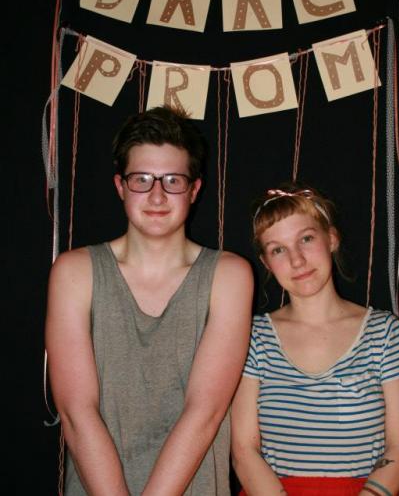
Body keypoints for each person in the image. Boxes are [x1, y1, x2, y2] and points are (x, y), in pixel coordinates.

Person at [45, 106, 253, 496]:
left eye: (172, 180)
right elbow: (76, 412)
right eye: (142, 179)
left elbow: (204, 411)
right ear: (120, 186)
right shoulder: (74, 272)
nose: (157, 195)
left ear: (194, 189)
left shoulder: (229, 275)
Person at [231, 184, 399, 496]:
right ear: (266, 262)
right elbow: (243, 451)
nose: (297, 260)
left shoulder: (385, 333)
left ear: (331, 238)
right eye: (278, 249)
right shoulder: (253, 337)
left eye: (306, 239)